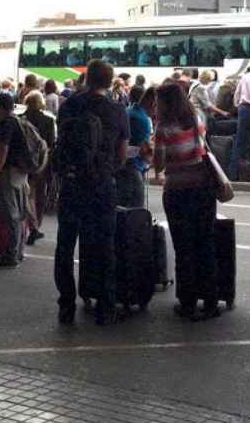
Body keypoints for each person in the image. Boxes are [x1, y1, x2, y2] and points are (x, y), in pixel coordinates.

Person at [54, 59, 129, 326]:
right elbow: (121, 155)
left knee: (65, 244)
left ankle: (66, 305)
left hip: (72, 184)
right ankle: (105, 306)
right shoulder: (117, 111)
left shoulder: (69, 106)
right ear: (110, 82)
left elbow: (60, 142)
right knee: (103, 245)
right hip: (101, 186)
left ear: (86, 79)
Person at [153, 83, 220, 321]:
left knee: (184, 248)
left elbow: (159, 164)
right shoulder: (197, 119)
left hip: (178, 192)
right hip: (203, 190)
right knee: (205, 245)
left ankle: (188, 301)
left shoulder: (164, 129)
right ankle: (211, 300)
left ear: (166, 103)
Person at [0, 93, 28, 268]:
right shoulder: (17, 121)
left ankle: (11, 255)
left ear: (0, 107)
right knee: (18, 212)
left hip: (9, 173)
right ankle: (18, 251)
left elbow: (3, 149)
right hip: (20, 173)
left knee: (11, 214)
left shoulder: (7, 124)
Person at [22, 91, 55, 246]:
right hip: (42, 163)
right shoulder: (48, 121)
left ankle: (29, 227)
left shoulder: (21, 119)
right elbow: (51, 144)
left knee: (27, 196)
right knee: (40, 197)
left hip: (24, 164)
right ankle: (36, 227)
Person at [117, 85, 154, 209]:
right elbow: (144, 151)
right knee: (135, 212)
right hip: (133, 168)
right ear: (153, 102)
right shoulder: (142, 119)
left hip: (122, 167)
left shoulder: (128, 111)